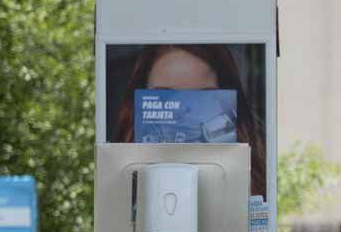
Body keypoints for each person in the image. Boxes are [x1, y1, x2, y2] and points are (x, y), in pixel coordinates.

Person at [111, 44, 267, 198]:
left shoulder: (249, 193)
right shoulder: (120, 188)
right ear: (136, 110)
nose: (184, 113)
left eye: (204, 99)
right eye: (164, 98)